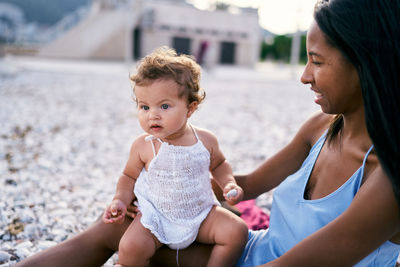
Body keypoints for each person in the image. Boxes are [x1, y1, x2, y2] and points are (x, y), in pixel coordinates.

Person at [15, 0, 400, 266]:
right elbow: (243, 186)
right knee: (115, 229)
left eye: (316, 61)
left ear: (368, 63)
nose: (304, 76)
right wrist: (168, 194)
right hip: (250, 254)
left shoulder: (389, 175)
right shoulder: (321, 128)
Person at [101, 46, 248, 267]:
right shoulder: (143, 145)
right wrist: (120, 199)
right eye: (144, 107)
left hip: (201, 214)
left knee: (237, 231)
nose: (153, 115)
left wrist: (228, 183)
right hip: (156, 218)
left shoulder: (205, 140)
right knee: (130, 247)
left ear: (190, 109)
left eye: (165, 106)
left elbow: (219, 164)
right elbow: (128, 176)